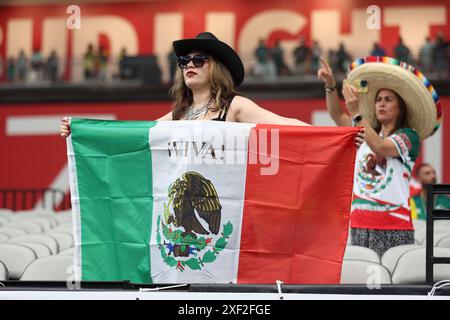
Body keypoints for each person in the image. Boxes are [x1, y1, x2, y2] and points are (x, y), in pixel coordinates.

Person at [61, 32, 363, 147]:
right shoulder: (178, 113)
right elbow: (134, 133)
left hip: (222, 212)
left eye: (198, 59)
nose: (188, 65)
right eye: (183, 61)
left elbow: (289, 126)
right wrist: (82, 131)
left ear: (215, 67)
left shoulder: (236, 107)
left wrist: (341, 136)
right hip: (179, 212)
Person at [318, 55, 441, 256]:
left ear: (401, 107)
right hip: (358, 225)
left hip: (394, 227)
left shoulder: (409, 136)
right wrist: (330, 87)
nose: (381, 104)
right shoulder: (364, 131)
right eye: (378, 100)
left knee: (390, 285)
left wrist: (357, 113)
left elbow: (381, 148)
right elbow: (337, 116)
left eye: (388, 100)